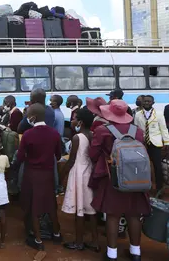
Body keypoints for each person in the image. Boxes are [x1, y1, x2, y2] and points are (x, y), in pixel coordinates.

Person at [89, 100, 150, 261]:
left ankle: (112, 254)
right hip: (136, 178)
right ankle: (135, 252)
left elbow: (93, 155)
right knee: (134, 215)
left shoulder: (102, 130)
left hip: (112, 178)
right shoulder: (137, 131)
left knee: (113, 215)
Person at [14, 103, 62, 251]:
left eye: (28, 115)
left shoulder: (28, 135)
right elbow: (58, 155)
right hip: (47, 174)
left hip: (32, 174)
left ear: (33, 117)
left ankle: (38, 239)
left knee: (33, 206)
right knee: (51, 205)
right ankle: (57, 234)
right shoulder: (54, 133)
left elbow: (20, 156)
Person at [62, 107, 99, 252]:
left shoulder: (77, 137)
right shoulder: (92, 134)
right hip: (89, 171)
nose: (72, 120)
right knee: (91, 209)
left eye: (75, 118)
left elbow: (71, 161)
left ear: (81, 122)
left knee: (79, 210)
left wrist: (62, 175)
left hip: (78, 173)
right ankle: (95, 241)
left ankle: (78, 242)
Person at [134, 95, 169, 194]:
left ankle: (159, 187)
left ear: (153, 103)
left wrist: (167, 142)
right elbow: (136, 129)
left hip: (156, 143)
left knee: (157, 165)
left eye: (149, 101)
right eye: (145, 101)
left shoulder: (158, 114)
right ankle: (144, 185)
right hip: (143, 143)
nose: (146, 103)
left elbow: (163, 129)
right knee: (143, 165)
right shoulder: (138, 115)